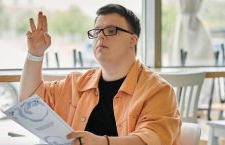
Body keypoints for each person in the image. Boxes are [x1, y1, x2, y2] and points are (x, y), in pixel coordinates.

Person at [19, 4, 181, 145]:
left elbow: (151, 140)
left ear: (133, 41)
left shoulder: (158, 91)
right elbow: (29, 102)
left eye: (111, 30)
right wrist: (35, 54)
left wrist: (102, 142)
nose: (101, 36)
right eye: (97, 31)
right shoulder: (77, 83)